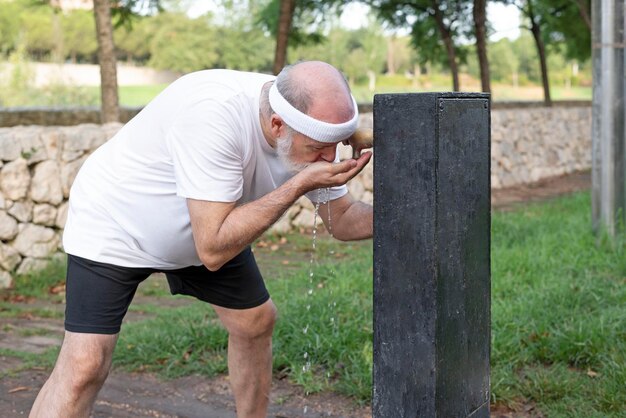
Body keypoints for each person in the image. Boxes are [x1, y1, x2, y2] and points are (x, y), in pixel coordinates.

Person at [29, 60, 373, 418]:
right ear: (276, 124)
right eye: (320, 147)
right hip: (118, 222)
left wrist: (420, 211)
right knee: (85, 365)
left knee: (255, 322)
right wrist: (300, 183)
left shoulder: (306, 123)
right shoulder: (214, 114)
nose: (329, 159)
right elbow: (212, 249)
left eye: (335, 145)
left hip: (212, 220)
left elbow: (343, 220)